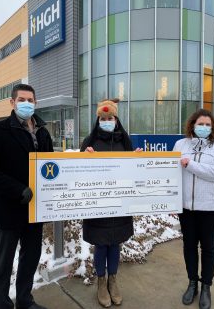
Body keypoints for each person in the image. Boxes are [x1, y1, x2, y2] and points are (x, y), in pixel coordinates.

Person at [0, 84, 53, 309]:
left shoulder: (42, 132)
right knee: (4, 264)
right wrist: (16, 189)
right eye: (22, 100)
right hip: (10, 209)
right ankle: (1, 304)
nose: (27, 104)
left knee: (29, 260)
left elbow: (52, 167)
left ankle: (24, 300)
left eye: (31, 100)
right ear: (12, 103)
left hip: (35, 211)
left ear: (36, 103)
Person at [80, 99, 141, 308]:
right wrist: (85, 158)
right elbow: (79, 173)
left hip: (120, 204)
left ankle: (113, 280)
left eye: (110, 118)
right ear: (98, 120)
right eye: (103, 118)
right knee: (101, 244)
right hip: (98, 205)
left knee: (115, 243)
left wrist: (138, 160)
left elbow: (133, 171)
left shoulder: (125, 141)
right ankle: (101, 281)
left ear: (116, 120)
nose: (107, 121)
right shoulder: (89, 141)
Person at [173, 109, 214, 309]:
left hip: (210, 208)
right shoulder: (180, 144)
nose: (204, 127)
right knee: (189, 246)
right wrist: (171, 200)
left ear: (212, 127)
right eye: (200, 123)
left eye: (208, 124)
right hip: (186, 208)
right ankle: (192, 283)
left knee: (208, 247)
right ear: (192, 124)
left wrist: (192, 165)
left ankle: (206, 287)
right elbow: (172, 174)